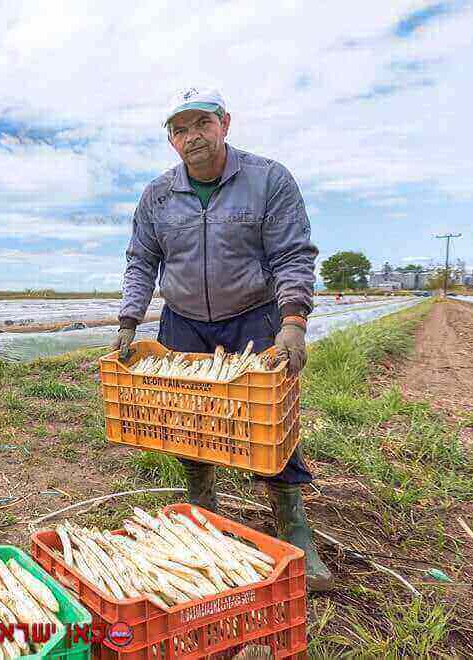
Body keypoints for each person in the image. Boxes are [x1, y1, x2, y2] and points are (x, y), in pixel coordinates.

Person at [111, 87, 333, 591]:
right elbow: (141, 261)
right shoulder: (158, 196)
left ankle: (293, 523)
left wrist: (293, 320)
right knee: (186, 423)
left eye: (202, 125)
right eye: (181, 130)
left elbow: (292, 254)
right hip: (183, 321)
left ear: (225, 124)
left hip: (251, 319)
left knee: (268, 421)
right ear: (172, 140)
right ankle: (203, 511)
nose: (193, 137)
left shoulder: (268, 180)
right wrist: (129, 321)